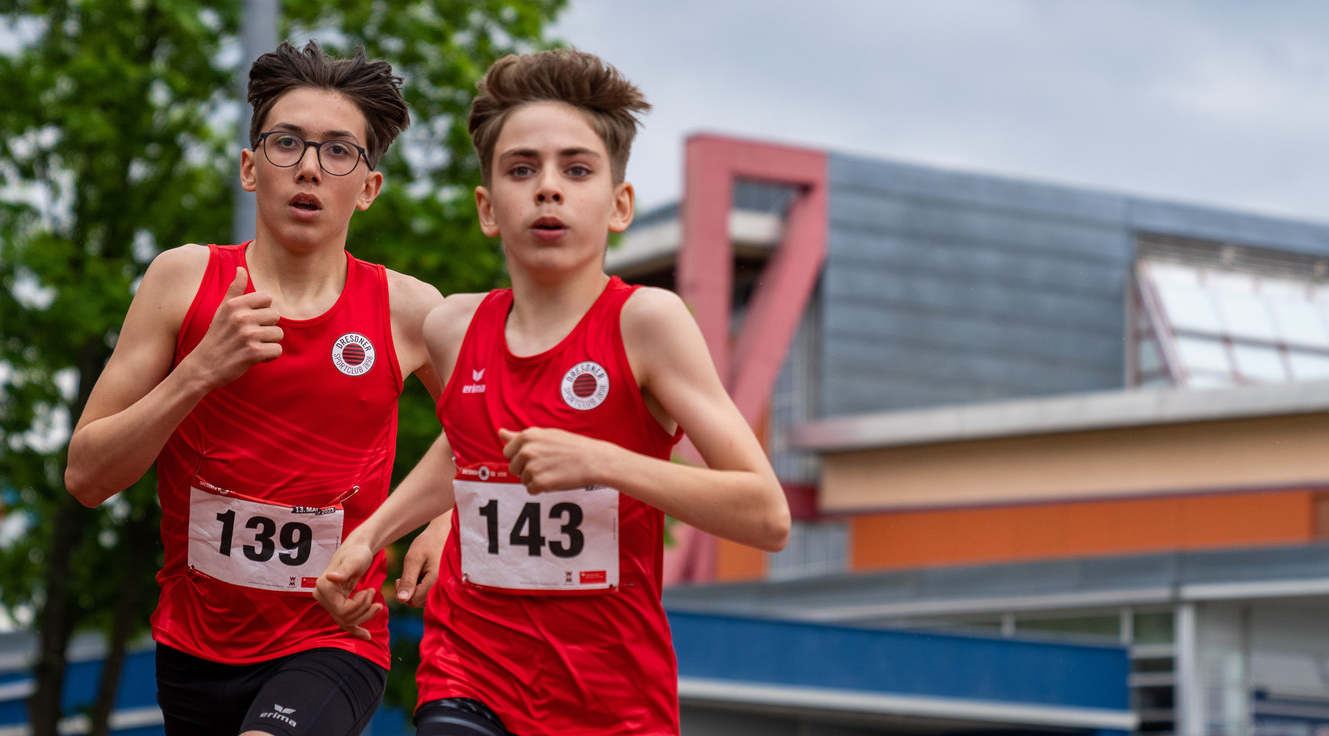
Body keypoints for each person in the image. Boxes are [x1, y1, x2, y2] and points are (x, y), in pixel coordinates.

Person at [314, 48, 792, 735]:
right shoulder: (453, 327)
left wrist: (601, 462)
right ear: (487, 207)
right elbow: (469, 448)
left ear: (619, 204)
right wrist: (374, 533)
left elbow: (767, 514)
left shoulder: (646, 325)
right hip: (468, 672)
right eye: (521, 169)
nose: (548, 188)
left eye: (576, 169)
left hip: (610, 703)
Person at [64, 41, 448, 736]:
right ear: (249, 168)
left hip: (334, 637)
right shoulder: (182, 282)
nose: (308, 166)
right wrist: (200, 370)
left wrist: (447, 521)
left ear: (368, 187)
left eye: (338, 151)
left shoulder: (409, 310)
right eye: (286, 143)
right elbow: (87, 475)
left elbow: (502, 426)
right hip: (193, 646)